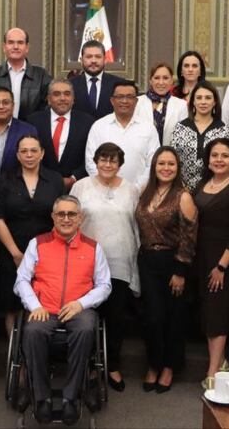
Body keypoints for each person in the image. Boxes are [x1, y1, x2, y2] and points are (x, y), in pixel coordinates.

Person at [14, 195, 112, 426]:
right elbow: (21, 280)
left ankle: (71, 397)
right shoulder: (37, 243)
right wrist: (34, 306)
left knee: (87, 329)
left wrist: (81, 303)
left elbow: (105, 285)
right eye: (61, 214)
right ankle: (41, 399)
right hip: (44, 308)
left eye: (71, 214)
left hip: (79, 309)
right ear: (53, 217)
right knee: (33, 331)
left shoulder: (93, 247)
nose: (66, 219)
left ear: (80, 218)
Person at [71, 142, 141, 392]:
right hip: (86, 263)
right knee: (88, 317)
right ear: (96, 161)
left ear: (120, 164)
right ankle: (89, 366)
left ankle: (112, 366)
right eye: (103, 159)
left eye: (113, 160)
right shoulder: (81, 186)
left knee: (115, 318)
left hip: (120, 261)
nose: (107, 164)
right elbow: (70, 221)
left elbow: (136, 227)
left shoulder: (132, 190)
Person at [134, 147, 197, 394]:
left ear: (177, 168)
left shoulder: (183, 196)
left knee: (173, 318)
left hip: (173, 263)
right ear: (154, 166)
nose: (166, 168)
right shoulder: (144, 193)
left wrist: (180, 270)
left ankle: (169, 366)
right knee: (152, 317)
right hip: (147, 261)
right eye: (161, 163)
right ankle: (153, 364)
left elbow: (189, 237)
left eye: (171, 164)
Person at [194, 138, 229, 389]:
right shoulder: (201, 185)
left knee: (217, 314)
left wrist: (221, 267)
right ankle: (223, 361)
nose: (219, 159)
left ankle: (213, 370)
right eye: (214, 155)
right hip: (201, 258)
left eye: (225, 156)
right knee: (207, 312)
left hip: (222, 262)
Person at [0, 134, 62, 333]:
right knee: (12, 306)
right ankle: (16, 359)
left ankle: (36, 353)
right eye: (24, 151)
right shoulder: (5, 179)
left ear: (42, 154)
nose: (29, 155)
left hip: (46, 252)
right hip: (11, 252)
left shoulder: (55, 180)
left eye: (33, 150)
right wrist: (15, 253)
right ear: (17, 155)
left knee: (42, 302)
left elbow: (60, 217)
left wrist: (43, 252)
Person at [84, 81, 160, 185]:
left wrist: (136, 189)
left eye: (129, 97)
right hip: (103, 192)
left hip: (140, 193)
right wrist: (105, 185)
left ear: (136, 101)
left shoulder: (148, 128)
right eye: (120, 96)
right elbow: (91, 162)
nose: (124, 101)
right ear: (112, 100)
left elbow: (153, 162)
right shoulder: (99, 126)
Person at [27, 79, 95, 191]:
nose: (62, 98)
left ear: (73, 99)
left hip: (78, 186)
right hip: (40, 185)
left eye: (67, 94)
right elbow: (30, 153)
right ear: (49, 99)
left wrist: (74, 178)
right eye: (56, 94)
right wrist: (46, 178)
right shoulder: (33, 121)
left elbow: (92, 155)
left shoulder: (88, 122)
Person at [171, 81, 229, 190]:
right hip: (182, 190)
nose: (203, 102)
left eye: (208, 98)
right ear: (193, 102)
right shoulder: (180, 128)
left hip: (215, 191)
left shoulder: (224, 130)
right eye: (199, 98)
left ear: (214, 102)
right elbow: (173, 159)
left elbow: (228, 164)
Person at [0, 27, 53, 119]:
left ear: (27, 47)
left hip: (31, 130)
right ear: (4, 47)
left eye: (20, 43)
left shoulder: (42, 75)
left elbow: (48, 108)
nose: (15, 47)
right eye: (11, 42)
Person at [135, 63, 188, 145]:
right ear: (150, 81)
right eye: (157, 78)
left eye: (165, 78)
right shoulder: (137, 102)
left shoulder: (181, 105)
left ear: (171, 81)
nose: (161, 82)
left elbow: (183, 137)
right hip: (143, 155)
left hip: (170, 155)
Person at [70, 40, 124, 119]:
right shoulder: (70, 85)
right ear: (81, 60)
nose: (93, 61)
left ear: (105, 60)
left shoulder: (119, 84)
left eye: (98, 57)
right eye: (89, 57)